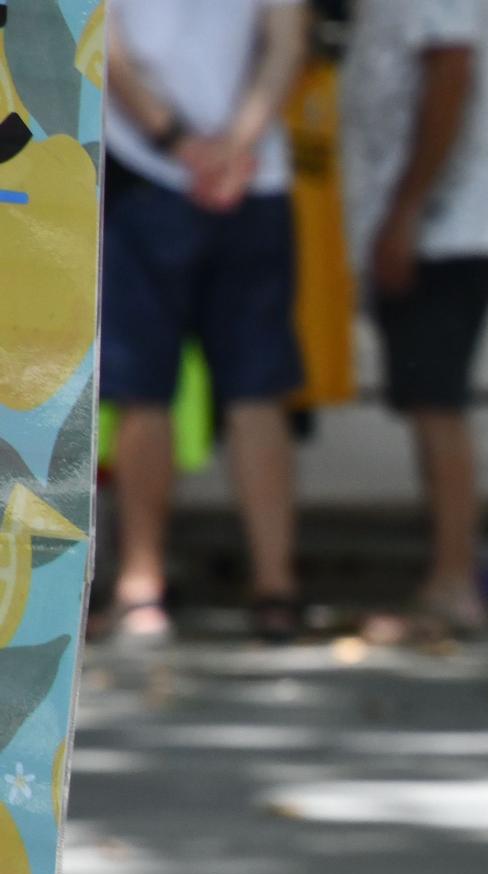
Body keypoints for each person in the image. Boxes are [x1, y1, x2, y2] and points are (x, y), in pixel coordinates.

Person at [103, 0, 310, 643]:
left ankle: (142, 589)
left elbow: (103, 47)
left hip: (149, 167)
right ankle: (275, 586)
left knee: (145, 390)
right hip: (248, 175)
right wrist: (236, 144)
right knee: (253, 390)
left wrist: (180, 144)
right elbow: (287, 43)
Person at [341, 0, 488, 635]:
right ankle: (447, 578)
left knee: (438, 404)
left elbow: (452, 72)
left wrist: (408, 209)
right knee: (430, 403)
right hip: (435, 221)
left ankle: (455, 581)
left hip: (446, 226)